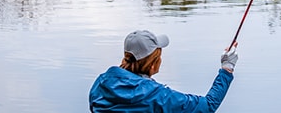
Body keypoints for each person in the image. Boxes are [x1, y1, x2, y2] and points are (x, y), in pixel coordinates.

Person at [89, 30, 238, 112]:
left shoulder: (100, 83)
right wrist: (227, 68)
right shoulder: (158, 96)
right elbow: (208, 106)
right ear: (153, 65)